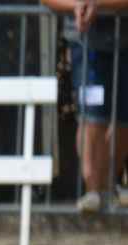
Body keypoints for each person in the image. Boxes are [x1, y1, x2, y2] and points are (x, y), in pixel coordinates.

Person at [43, 0, 128, 211]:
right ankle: (93, 190)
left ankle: (107, 187)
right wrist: (75, 6)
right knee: (92, 118)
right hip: (84, 45)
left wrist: (98, 4)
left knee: (123, 120)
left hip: (123, 42)